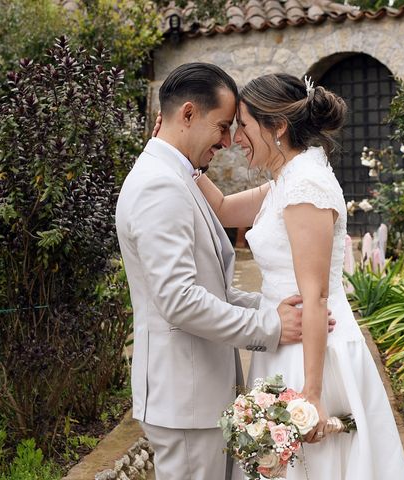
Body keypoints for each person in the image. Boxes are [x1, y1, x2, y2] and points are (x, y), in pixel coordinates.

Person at [115, 63, 329, 480]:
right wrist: (268, 324)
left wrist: (270, 305)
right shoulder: (160, 186)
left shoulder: (174, 176)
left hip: (195, 397)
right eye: (224, 126)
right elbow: (180, 301)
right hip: (184, 400)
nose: (229, 141)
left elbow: (209, 286)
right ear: (189, 114)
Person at [195, 73, 404, 479]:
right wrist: (179, 153)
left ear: (277, 127)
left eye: (244, 124)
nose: (237, 137)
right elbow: (222, 208)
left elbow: (315, 297)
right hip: (285, 340)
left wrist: (311, 395)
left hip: (312, 352)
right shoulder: (287, 179)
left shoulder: (305, 186)